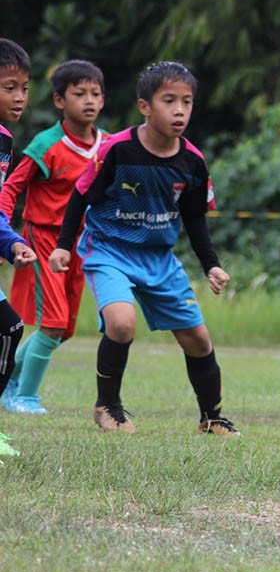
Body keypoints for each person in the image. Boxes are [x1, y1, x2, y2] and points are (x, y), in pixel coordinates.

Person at [49, 61, 240, 436]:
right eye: (169, 100)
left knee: (199, 340)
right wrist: (63, 247)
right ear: (145, 107)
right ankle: (107, 407)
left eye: (186, 101)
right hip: (110, 251)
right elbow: (80, 195)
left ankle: (211, 417)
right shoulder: (117, 150)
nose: (179, 110)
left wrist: (211, 265)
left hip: (159, 259)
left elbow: (195, 219)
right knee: (121, 323)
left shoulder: (193, 162)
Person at [0, 60, 108, 415]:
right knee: (53, 322)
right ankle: (25, 397)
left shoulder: (107, 146)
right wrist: (6, 234)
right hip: (44, 240)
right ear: (60, 100)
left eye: (95, 93)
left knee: (66, 329)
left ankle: (10, 377)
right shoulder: (46, 144)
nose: (89, 101)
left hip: (82, 244)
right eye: (80, 94)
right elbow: (9, 188)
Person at [0, 39, 41, 455]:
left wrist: (12, 243)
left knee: (9, 328)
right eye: (9, 86)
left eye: (24, 87)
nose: (19, 97)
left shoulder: (4, 142)